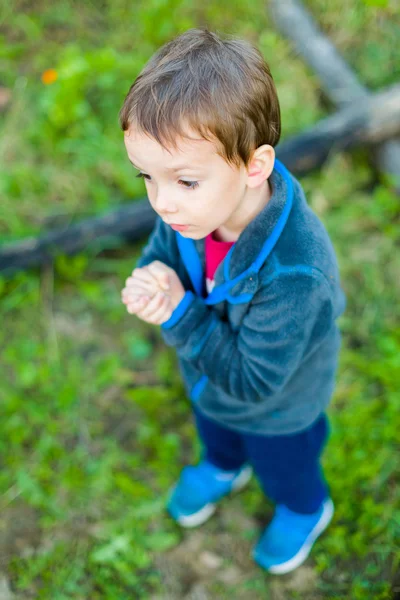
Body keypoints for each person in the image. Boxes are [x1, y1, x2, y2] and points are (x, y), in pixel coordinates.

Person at [120, 28, 346, 575]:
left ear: (253, 166)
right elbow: (163, 251)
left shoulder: (296, 271)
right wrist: (154, 277)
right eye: (147, 177)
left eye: (184, 181)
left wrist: (177, 312)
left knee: (284, 462)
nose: (163, 201)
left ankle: (305, 507)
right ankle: (223, 465)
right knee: (214, 425)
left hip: (278, 406)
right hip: (207, 378)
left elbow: (253, 381)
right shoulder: (190, 211)